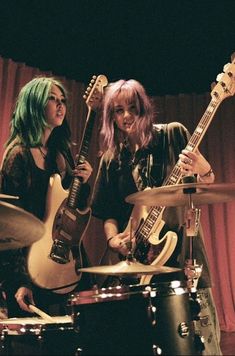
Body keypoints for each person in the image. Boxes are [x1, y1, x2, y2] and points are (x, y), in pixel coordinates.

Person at [91, 79, 222, 355]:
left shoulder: (172, 135)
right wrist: (113, 239)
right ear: (111, 117)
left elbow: (204, 184)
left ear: (144, 108)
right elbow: (107, 213)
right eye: (118, 110)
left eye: (132, 107)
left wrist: (205, 169)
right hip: (138, 270)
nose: (126, 116)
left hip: (185, 262)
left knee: (203, 346)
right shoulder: (112, 160)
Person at [0, 76, 93, 319]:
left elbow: (75, 211)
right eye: (52, 99)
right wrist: (19, 280)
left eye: (62, 100)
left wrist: (83, 183)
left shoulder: (61, 153)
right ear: (34, 105)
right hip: (29, 265)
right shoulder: (17, 156)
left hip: (62, 257)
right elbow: (8, 227)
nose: (60, 105)